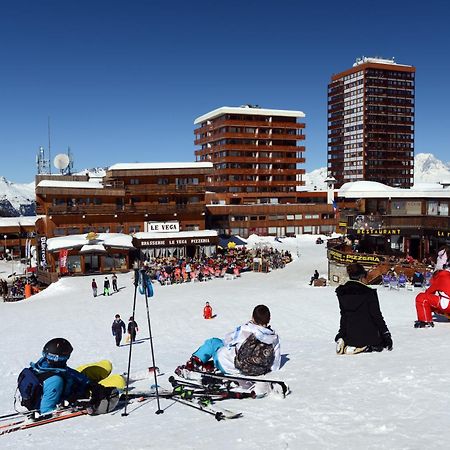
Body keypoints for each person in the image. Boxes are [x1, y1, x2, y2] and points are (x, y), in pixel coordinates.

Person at [20, 338, 120, 415]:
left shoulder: (43, 365)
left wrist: (89, 383)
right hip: (75, 392)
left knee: (105, 365)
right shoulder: (54, 381)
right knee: (118, 380)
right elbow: (46, 411)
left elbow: (67, 371)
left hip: (72, 383)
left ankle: (93, 381)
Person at [177, 305, 281, 376]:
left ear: (253, 317)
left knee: (213, 343)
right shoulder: (274, 338)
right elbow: (275, 365)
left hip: (231, 365)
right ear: (269, 319)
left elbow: (228, 341)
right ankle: (209, 365)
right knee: (223, 350)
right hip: (254, 370)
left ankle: (192, 365)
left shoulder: (247, 329)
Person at [334, 263, 393, 354]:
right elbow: (377, 316)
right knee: (379, 345)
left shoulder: (342, 292)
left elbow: (344, 315)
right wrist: (386, 335)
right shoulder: (368, 293)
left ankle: (344, 341)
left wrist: (342, 333)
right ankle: (361, 347)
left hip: (350, 334)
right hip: (367, 334)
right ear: (361, 277)